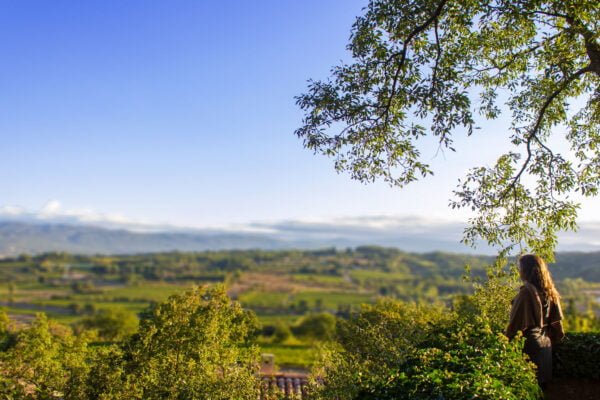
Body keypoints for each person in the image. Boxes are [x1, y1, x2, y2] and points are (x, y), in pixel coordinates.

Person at [506, 254, 564, 386]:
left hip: (530, 348)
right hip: (545, 346)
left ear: (526, 270)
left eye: (520, 268)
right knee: (542, 389)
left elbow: (514, 324)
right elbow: (557, 325)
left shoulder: (526, 292)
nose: (519, 271)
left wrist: (504, 344)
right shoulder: (550, 291)